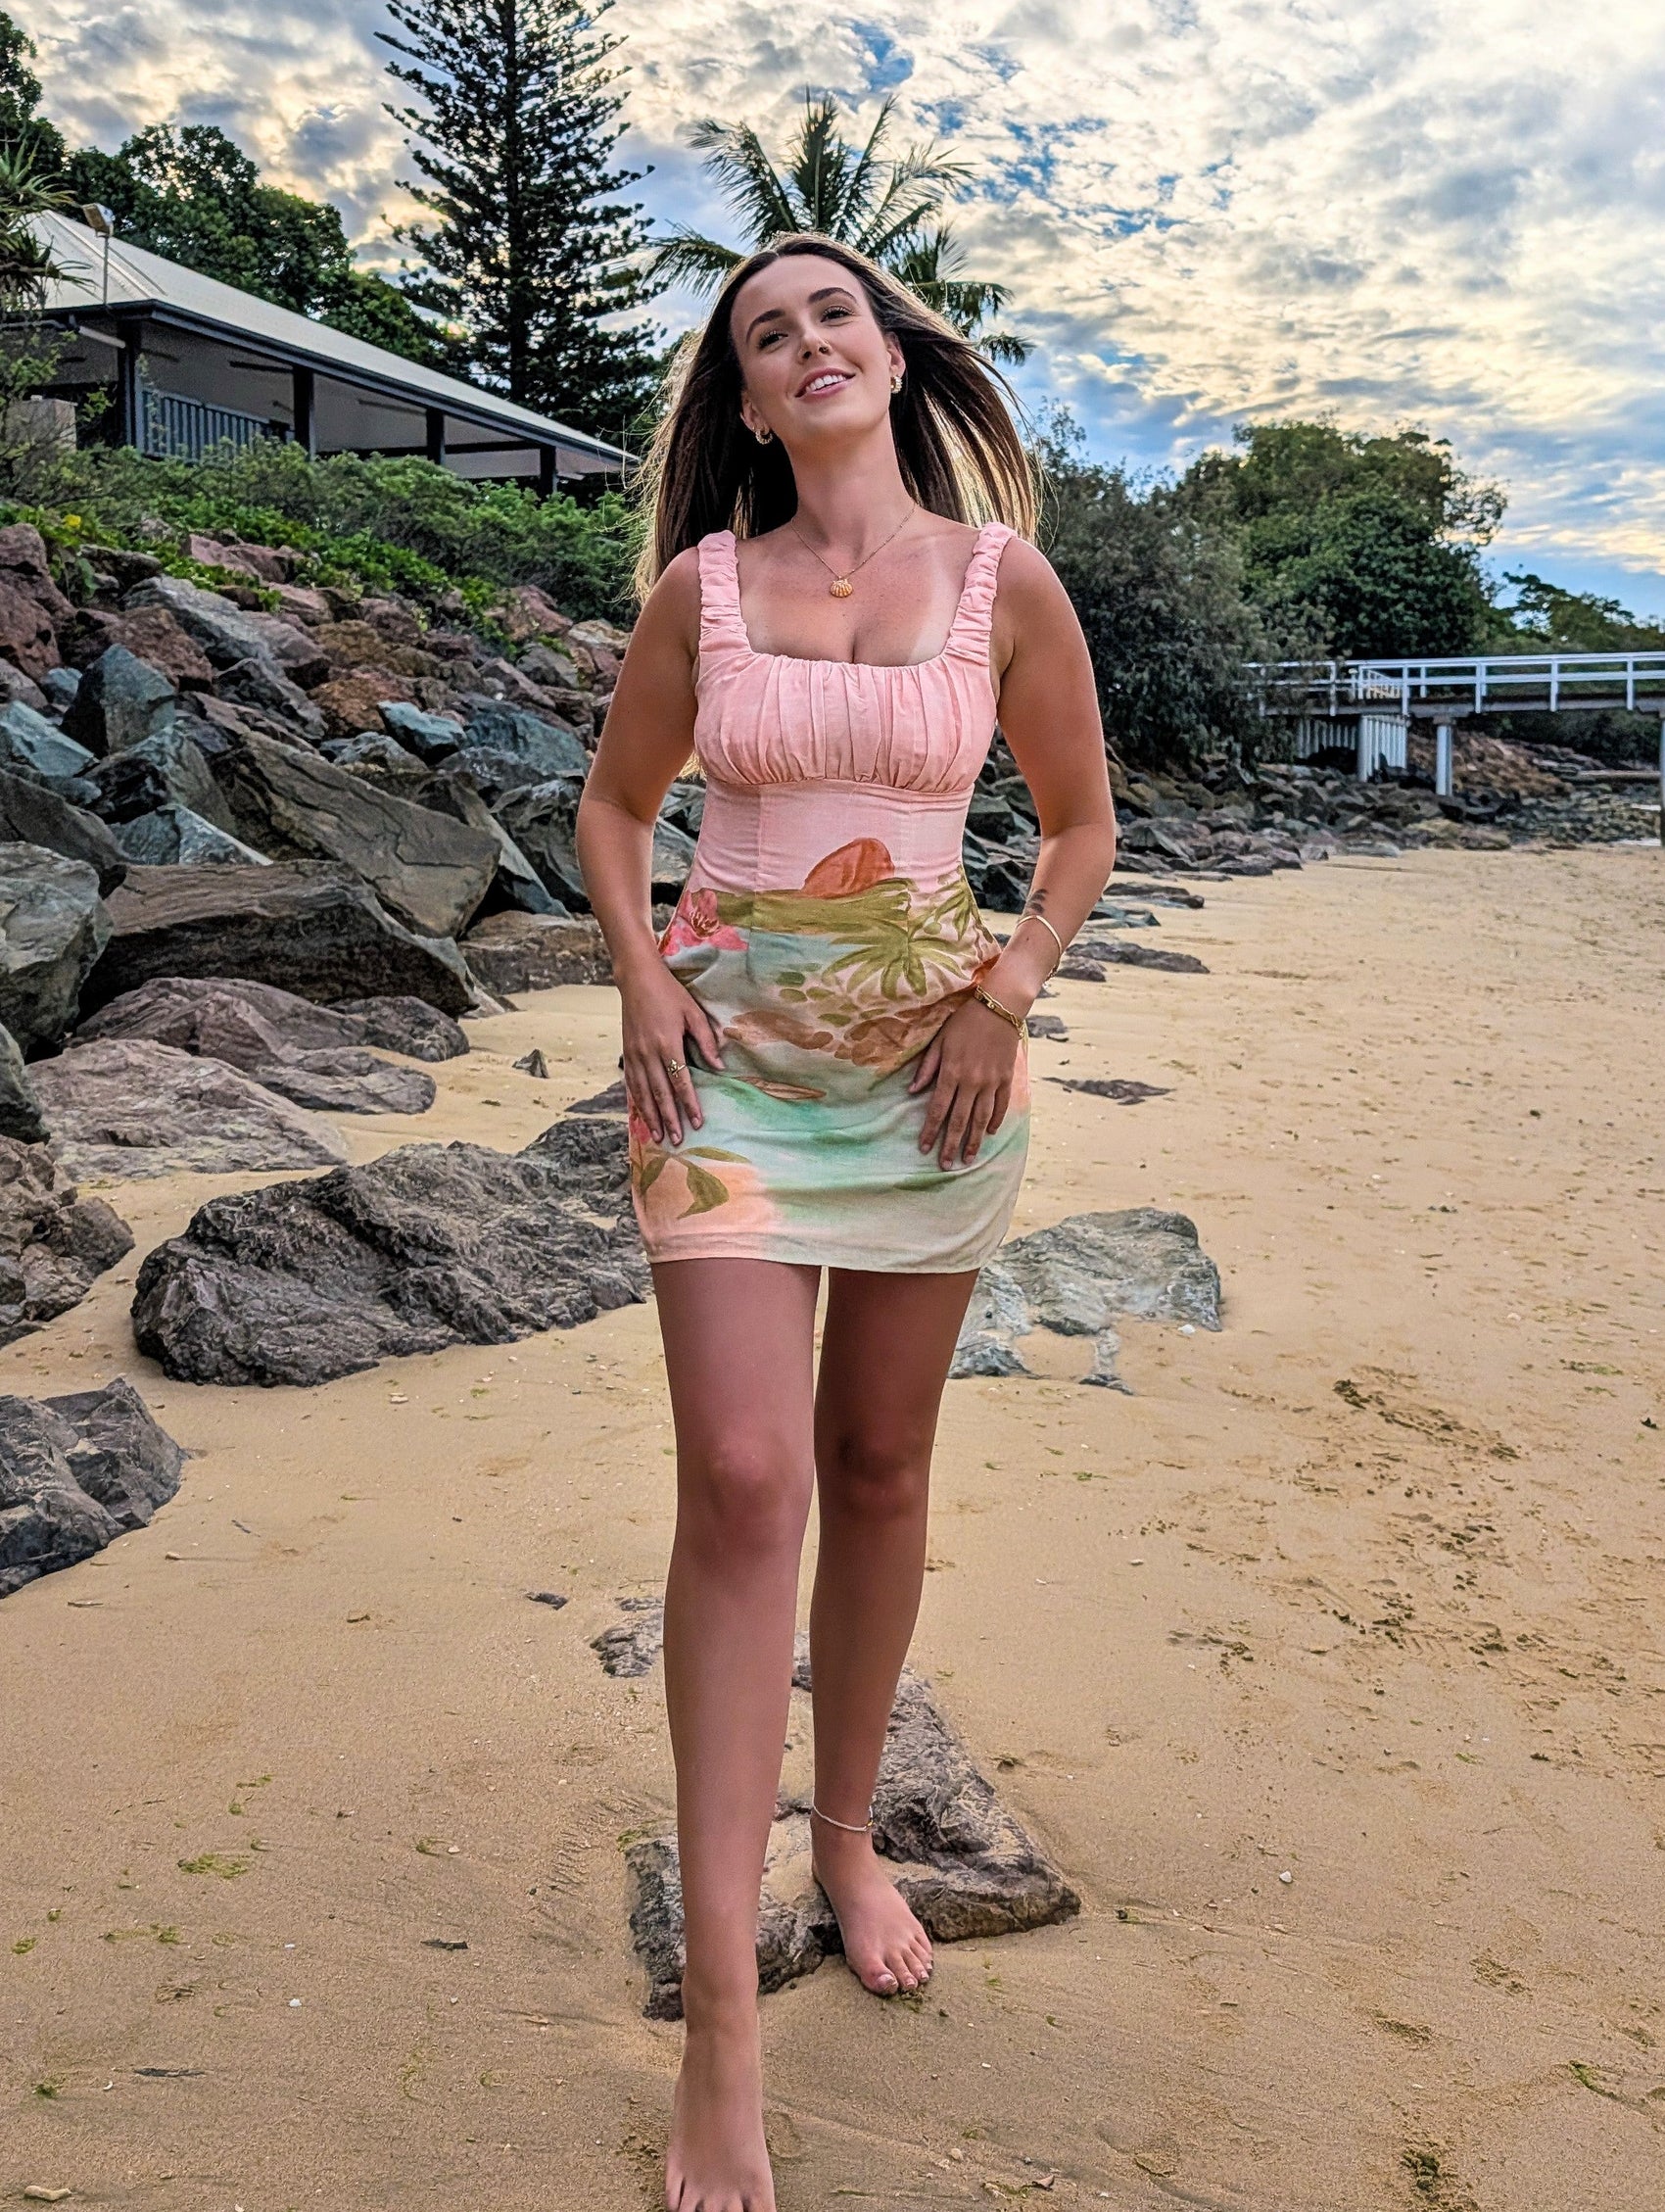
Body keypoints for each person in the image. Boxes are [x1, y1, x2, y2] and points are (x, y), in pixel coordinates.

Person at [575, 232, 1117, 2212]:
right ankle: (725, 2013)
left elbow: (1074, 824)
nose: (804, 343)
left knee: (877, 1464)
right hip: (725, 1068)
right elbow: (616, 806)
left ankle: (849, 1837)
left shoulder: (1001, 583)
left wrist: (1006, 989)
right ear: (746, 394)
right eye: (761, 333)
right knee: (740, 1476)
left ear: (889, 353)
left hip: (929, 1069)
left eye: (830, 312)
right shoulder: (698, 592)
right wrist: (638, 973)